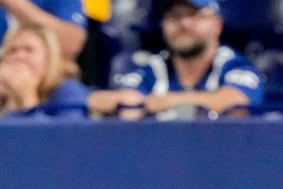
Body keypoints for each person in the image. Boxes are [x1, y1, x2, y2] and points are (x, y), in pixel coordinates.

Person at [87, 0, 263, 119]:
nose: (184, 24)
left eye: (195, 15)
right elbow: (127, 98)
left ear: (217, 25)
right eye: (174, 16)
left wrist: (170, 101)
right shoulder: (153, 68)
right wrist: (124, 102)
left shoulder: (233, 65)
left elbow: (237, 101)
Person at [0, 22, 88, 118]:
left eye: (29, 50)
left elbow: (61, 142)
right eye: (12, 50)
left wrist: (27, 100)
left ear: (49, 60)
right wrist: (2, 101)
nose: (19, 57)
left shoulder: (70, 92)